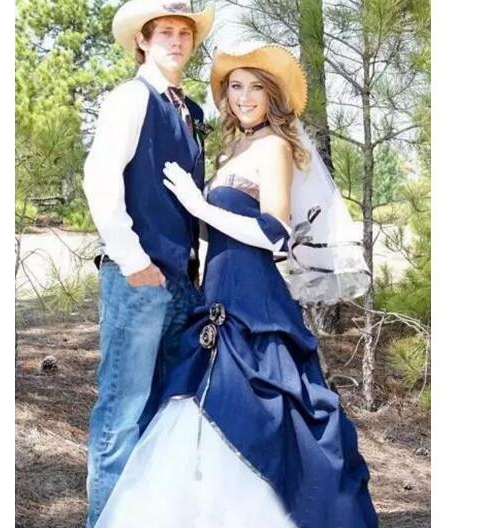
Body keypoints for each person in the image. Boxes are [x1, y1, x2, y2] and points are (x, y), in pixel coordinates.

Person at [92, 42, 378, 528]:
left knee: (255, 412)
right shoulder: (231, 149)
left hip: (253, 297)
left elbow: (275, 233)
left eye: (256, 88)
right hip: (215, 293)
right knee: (195, 411)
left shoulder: (275, 147)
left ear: (272, 97)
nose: (245, 97)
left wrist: (200, 207)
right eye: (236, 87)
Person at [82, 1, 215, 526]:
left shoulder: (189, 111)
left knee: (164, 414)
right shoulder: (130, 98)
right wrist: (134, 260)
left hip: (181, 282)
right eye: (165, 32)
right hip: (139, 280)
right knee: (121, 414)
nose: (176, 41)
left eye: (184, 32)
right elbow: (100, 179)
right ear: (142, 40)